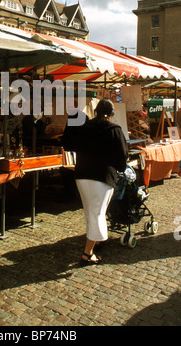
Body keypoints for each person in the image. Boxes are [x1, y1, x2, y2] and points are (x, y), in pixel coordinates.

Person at [73, 99, 128, 265]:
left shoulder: (84, 128)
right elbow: (122, 156)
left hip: (82, 174)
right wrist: (120, 167)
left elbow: (76, 147)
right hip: (102, 176)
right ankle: (87, 253)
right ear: (111, 115)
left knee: (92, 211)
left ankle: (95, 242)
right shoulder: (114, 130)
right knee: (97, 213)